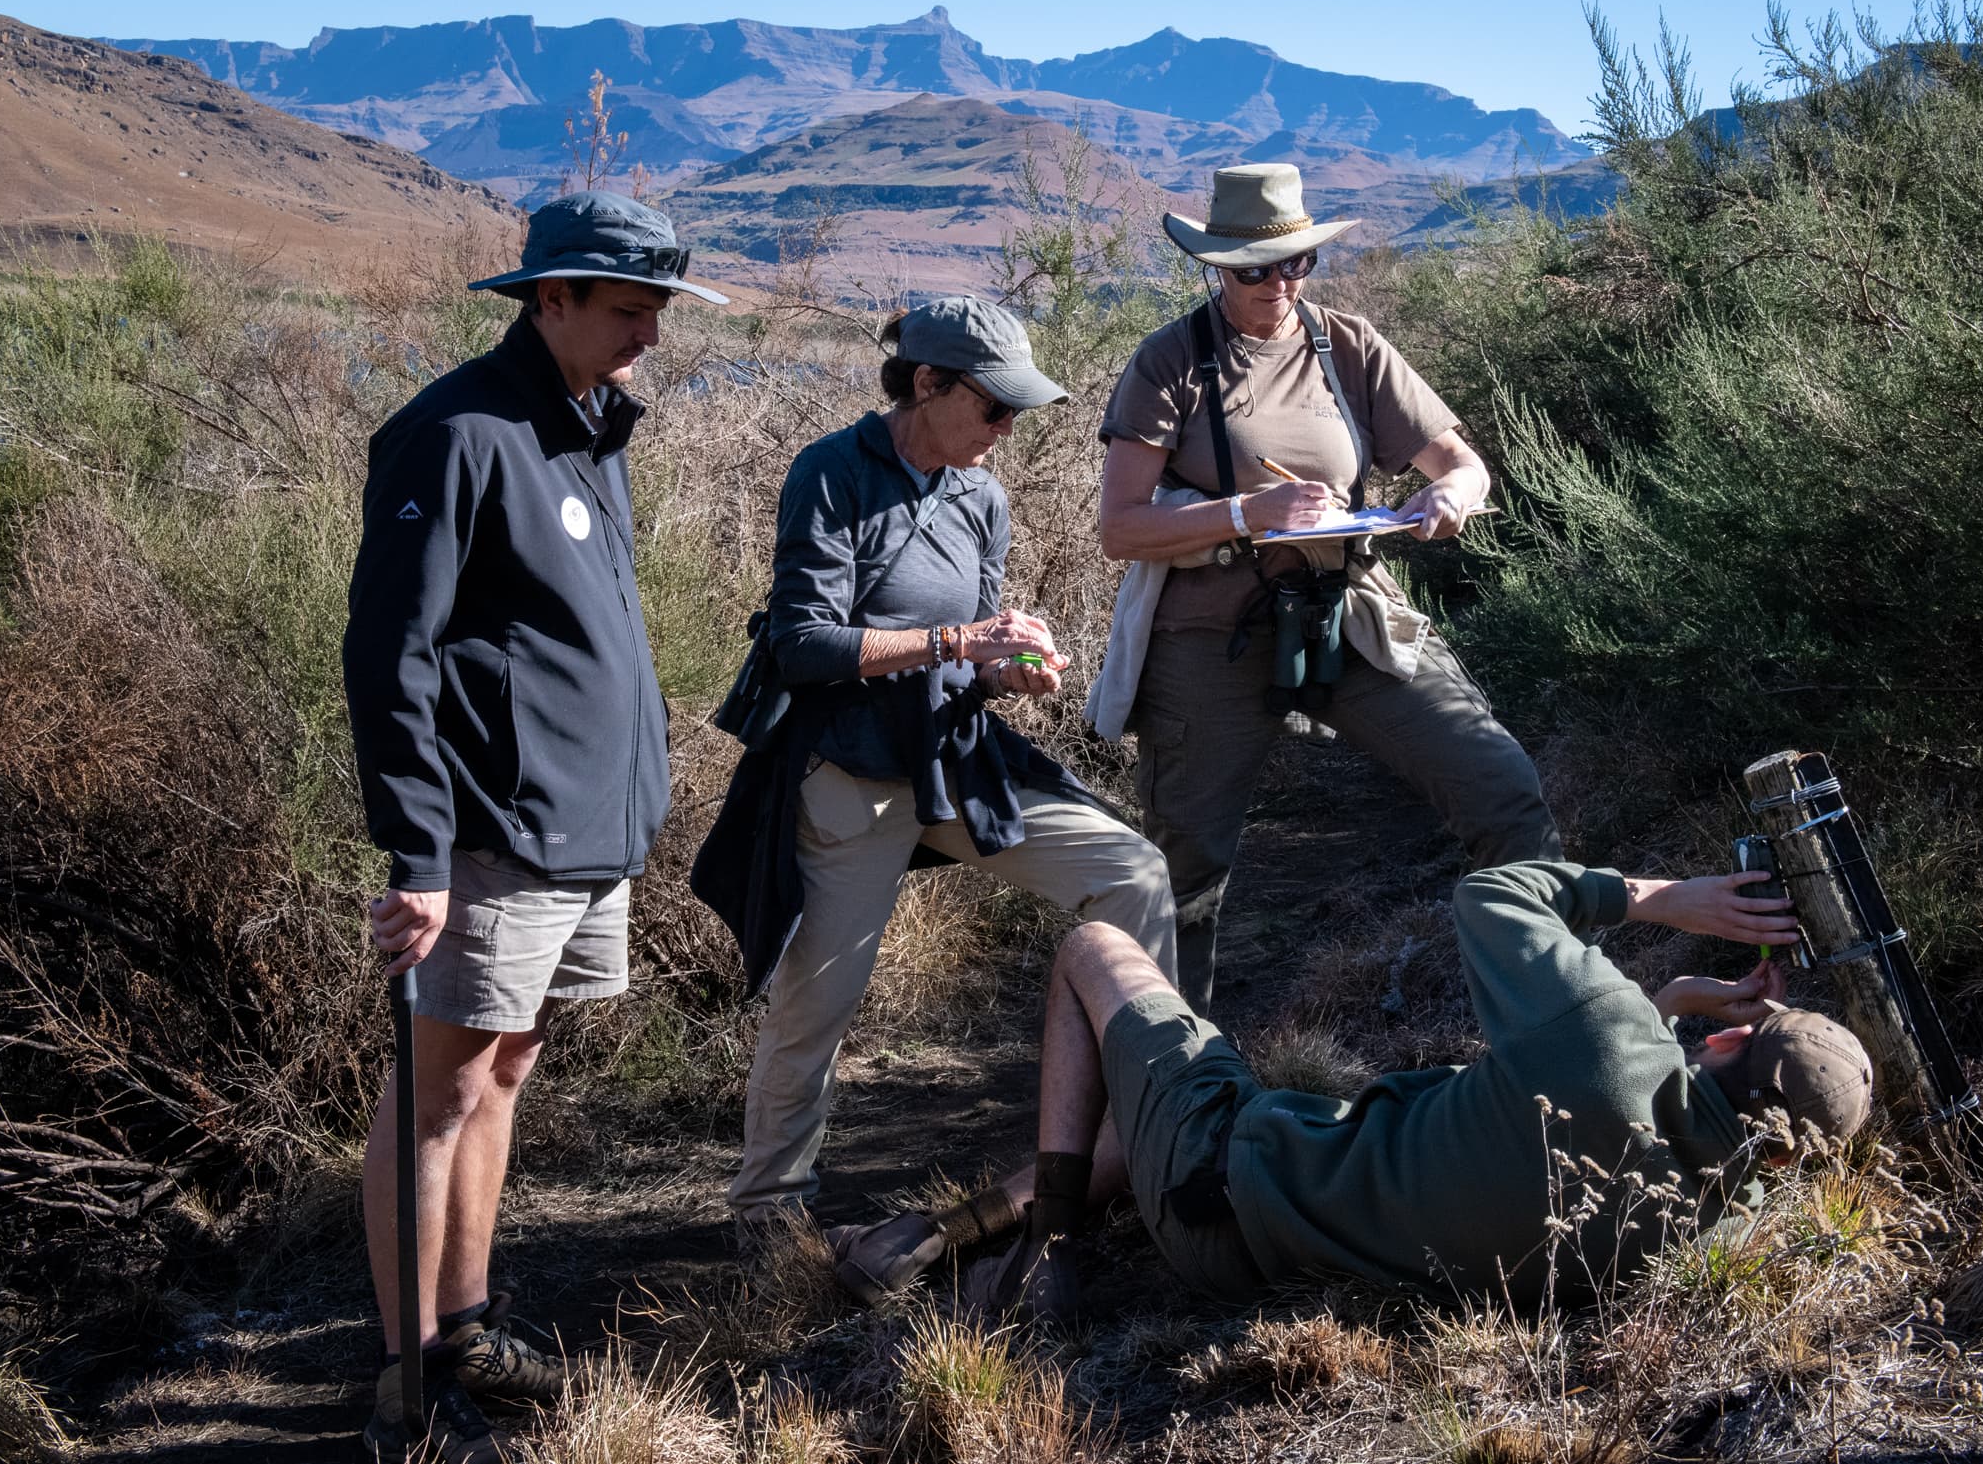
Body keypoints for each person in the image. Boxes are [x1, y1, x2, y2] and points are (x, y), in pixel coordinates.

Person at [343, 192, 728, 1462]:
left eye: (658, 311)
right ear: (548, 297)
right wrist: (417, 856)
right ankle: (408, 1391)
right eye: (628, 310)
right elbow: (389, 659)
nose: (649, 337)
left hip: (582, 831)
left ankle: (465, 1324)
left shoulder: (584, 430)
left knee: (506, 1068)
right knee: (439, 1092)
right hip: (488, 836)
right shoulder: (456, 434)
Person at [692, 299, 1179, 1242]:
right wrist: (957, 638)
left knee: (1132, 873)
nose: (1007, 430)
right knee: (817, 1002)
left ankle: (1143, 1130)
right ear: (927, 384)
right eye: (995, 409)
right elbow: (802, 644)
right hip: (852, 775)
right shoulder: (831, 473)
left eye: (1016, 413)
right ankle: (769, 1220)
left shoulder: (979, 495)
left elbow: (979, 655)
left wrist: (1011, 670)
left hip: (953, 757)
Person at [961, 863, 1874, 1320]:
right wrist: (1673, 1008)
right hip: (1286, 1266)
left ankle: (1051, 1255)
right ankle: (946, 1231)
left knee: (1096, 951)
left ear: (1722, 1041)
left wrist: (1661, 898)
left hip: (1230, 1174)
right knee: (1129, 1095)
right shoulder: (1730, 1212)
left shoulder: (1605, 1032)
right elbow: (1650, 1110)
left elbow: (1494, 892)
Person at [1089, 161, 1561, 1008]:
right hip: (1207, 637)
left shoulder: (1347, 344)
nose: (1278, 282)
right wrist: (1247, 514)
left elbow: (1461, 462)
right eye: (1254, 269)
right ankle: (1167, 1089)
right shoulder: (1170, 361)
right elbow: (1120, 525)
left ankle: (1560, 1013)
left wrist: (1450, 494)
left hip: (1347, 612)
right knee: (1184, 877)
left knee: (1500, 789)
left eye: (1296, 262)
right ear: (1216, 266)